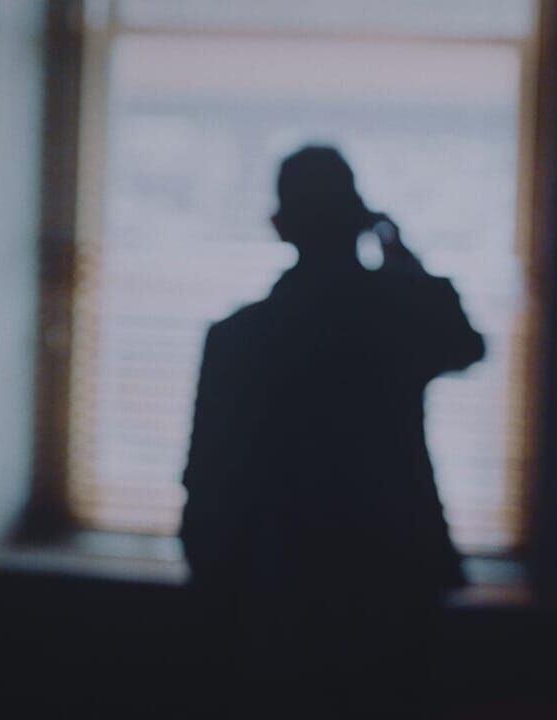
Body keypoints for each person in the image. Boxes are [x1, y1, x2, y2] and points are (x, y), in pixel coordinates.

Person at [179, 145, 484, 713]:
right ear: (360, 218)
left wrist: (213, 580)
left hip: (276, 578)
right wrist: (400, 256)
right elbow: (466, 344)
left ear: (280, 225)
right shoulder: (397, 320)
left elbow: (205, 475)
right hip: (392, 571)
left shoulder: (238, 337)